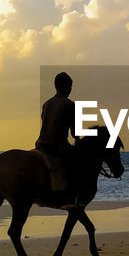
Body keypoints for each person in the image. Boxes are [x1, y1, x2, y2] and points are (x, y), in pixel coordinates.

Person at [35, 71, 79, 208]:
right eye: (70, 86)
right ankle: (68, 198)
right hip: (57, 145)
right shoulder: (70, 105)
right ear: (65, 86)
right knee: (78, 163)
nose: (71, 89)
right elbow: (75, 133)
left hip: (41, 143)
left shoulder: (46, 103)